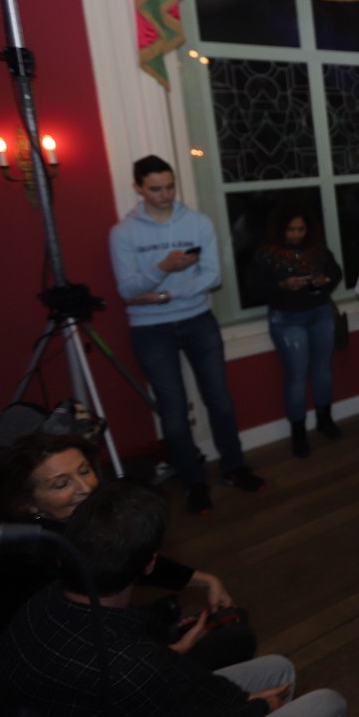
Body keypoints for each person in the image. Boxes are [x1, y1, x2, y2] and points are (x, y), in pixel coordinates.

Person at [0, 482, 350, 717]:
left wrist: (178, 651)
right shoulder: (129, 665)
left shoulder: (41, 602)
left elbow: (146, 683)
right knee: (328, 707)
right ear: (149, 564)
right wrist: (258, 708)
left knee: (279, 669)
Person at [0, 434, 254, 671]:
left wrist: (205, 580)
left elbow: (125, 557)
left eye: (85, 471)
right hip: (78, 676)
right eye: (62, 484)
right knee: (237, 637)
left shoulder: (63, 530)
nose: (85, 488)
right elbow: (85, 664)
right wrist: (173, 651)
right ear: (27, 504)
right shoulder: (35, 560)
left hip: (106, 651)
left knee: (230, 621)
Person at [109, 155, 262, 516]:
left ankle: (234, 467)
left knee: (219, 399)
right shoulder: (123, 233)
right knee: (173, 409)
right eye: (155, 189)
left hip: (197, 320)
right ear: (137, 188)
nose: (165, 195)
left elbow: (212, 276)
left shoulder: (197, 223)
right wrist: (164, 267)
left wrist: (164, 295)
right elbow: (128, 289)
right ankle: (194, 482)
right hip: (150, 330)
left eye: (170, 187)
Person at [246, 202, 344, 457]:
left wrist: (324, 280)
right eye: (291, 230)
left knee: (323, 369)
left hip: (320, 312)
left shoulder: (316, 249)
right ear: (280, 229)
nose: (297, 234)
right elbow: (254, 289)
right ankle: (298, 432)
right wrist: (282, 285)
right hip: (287, 318)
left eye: (301, 229)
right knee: (297, 376)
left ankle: (325, 418)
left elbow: (336, 272)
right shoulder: (267, 254)